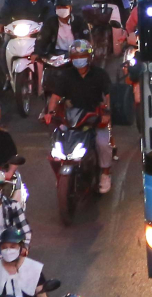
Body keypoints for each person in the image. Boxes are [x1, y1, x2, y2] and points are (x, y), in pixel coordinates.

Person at [46, 38, 116, 194]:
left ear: (89, 57)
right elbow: (55, 97)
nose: (79, 60)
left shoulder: (100, 74)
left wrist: (107, 112)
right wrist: (50, 113)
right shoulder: (65, 76)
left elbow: (109, 95)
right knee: (57, 142)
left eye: (82, 56)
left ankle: (105, 174)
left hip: (94, 116)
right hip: (72, 117)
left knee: (102, 142)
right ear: (71, 58)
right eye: (76, 57)